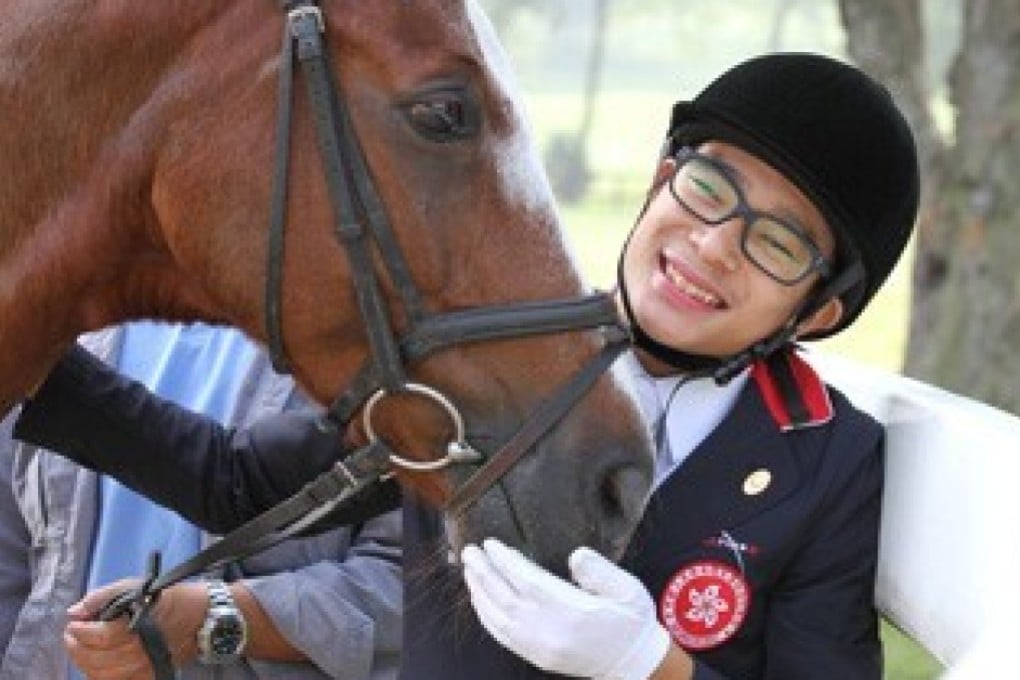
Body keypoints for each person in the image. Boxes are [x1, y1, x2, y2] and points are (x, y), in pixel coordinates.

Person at [11, 51, 919, 680]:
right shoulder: (488, 359)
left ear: (820, 309)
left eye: (778, 243)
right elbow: (239, 480)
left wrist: (655, 666)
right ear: (659, 177)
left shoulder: (829, 464)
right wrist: (28, 343)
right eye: (710, 187)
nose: (715, 244)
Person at [0, 322, 402, 680]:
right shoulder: (75, 304)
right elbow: (13, 561)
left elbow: (412, 587)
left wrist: (213, 618)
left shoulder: (388, 327)